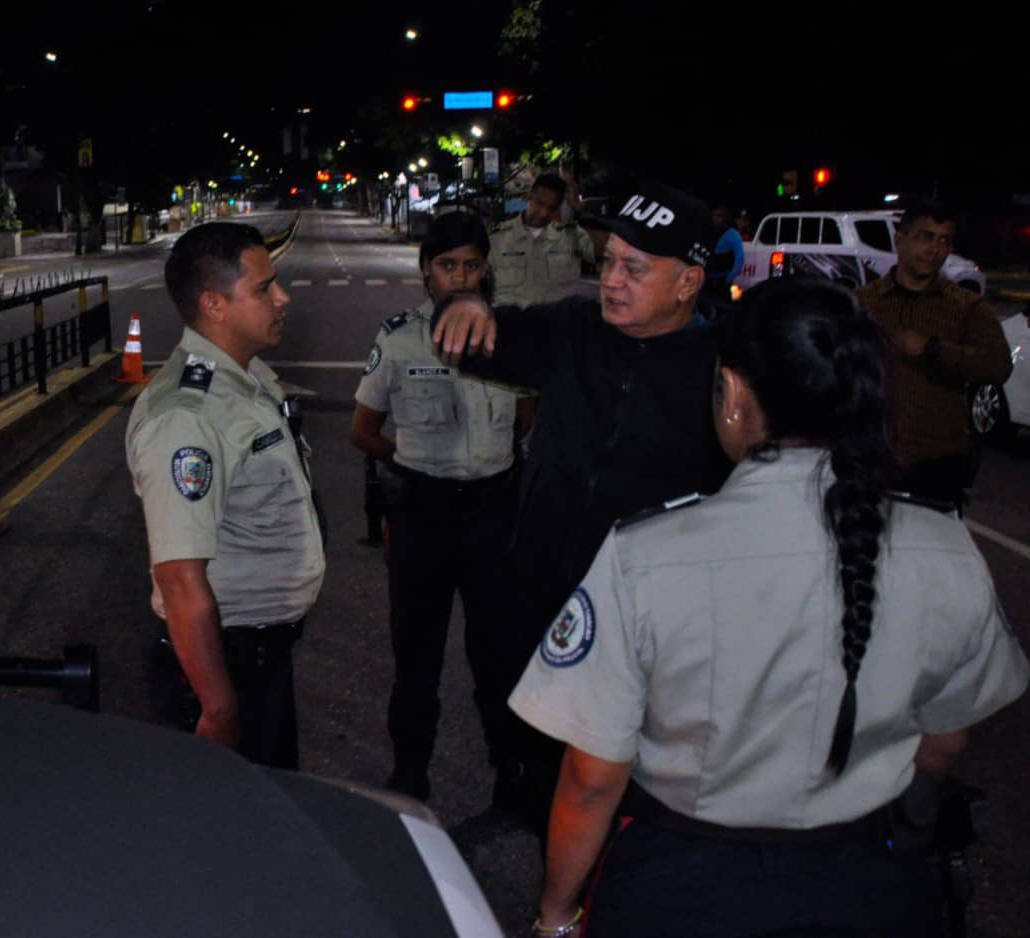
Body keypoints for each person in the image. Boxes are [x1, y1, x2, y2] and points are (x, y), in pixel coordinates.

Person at [508, 278, 1029, 938]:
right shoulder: (945, 546)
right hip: (874, 887)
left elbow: (590, 779)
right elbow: (945, 740)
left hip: (683, 886)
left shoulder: (647, 554)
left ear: (731, 395)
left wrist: (557, 912)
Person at [433, 181, 733, 823]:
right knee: (545, 763)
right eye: (609, 260)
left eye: (634, 267)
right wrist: (464, 308)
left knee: (641, 785)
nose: (612, 280)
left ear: (688, 283)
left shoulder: (723, 372)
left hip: (654, 623)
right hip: (547, 600)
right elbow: (476, 331)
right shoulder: (572, 329)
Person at [126, 222, 325, 770]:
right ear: (214, 304)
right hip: (219, 667)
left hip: (258, 657)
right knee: (229, 838)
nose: (282, 297)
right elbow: (180, 578)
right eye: (264, 288)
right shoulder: (186, 417)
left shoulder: (247, 376)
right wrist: (217, 707)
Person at [350, 211, 519, 802]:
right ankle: (410, 772)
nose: (462, 276)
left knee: (499, 655)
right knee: (416, 655)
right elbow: (364, 429)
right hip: (424, 515)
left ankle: (510, 774)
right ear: (426, 271)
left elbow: (529, 415)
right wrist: (412, 467)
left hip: (494, 512)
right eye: (448, 265)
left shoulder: (509, 335)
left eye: (472, 264)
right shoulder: (398, 338)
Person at [856, 198, 1012, 510]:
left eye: (945, 241)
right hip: (868, 457)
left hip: (938, 462)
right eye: (925, 237)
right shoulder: (863, 303)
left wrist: (934, 348)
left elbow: (998, 366)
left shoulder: (966, 307)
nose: (935, 249)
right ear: (900, 241)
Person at [488, 171, 600, 308]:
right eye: (539, 204)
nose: (544, 213)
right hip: (513, 325)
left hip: (559, 325)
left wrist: (580, 209)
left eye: (552, 208)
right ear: (529, 195)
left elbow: (602, 253)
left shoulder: (572, 235)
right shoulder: (497, 238)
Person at [707, 203, 745, 299]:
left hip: (722, 280)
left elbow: (739, 257)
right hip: (707, 279)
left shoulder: (732, 234)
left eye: (720, 216)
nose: (717, 218)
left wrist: (729, 278)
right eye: (715, 215)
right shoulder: (707, 231)